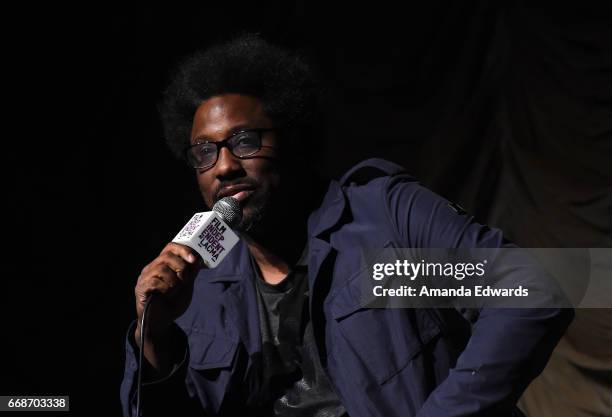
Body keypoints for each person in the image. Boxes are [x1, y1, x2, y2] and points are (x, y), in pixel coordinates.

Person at [120, 34, 573, 417]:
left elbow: (528, 293)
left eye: (244, 141)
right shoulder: (202, 279)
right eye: (204, 151)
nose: (224, 166)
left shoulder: (381, 224)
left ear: (294, 140)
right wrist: (154, 336)